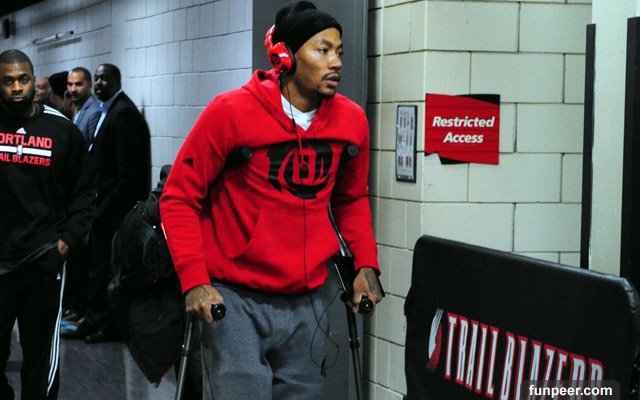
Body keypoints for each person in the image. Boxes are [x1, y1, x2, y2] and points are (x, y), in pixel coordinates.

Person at [160, 2, 383, 399]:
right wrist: (194, 280)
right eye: (322, 50)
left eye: (339, 51)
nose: (335, 62)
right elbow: (179, 197)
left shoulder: (351, 122)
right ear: (285, 56)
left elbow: (351, 199)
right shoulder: (231, 112)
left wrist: (365, 263)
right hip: (234, 299)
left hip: (307, 302)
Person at [0, 49, 95, 400]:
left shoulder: (61, 129)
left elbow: (84, 192)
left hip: (42, 260)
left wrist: (67, 241)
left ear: (33, 79)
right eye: (8, 81)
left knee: (40, 361)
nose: (16, 88)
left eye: (23, 79)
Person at [62, 63, 151, 343]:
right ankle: (93, 319)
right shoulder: (108, 110)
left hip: (113, 211)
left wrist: (107, 208)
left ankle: (106, 324)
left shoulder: (123, 114)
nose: (100, 83)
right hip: (102, 207)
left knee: (107, 270)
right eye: (98, 78)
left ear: (117, 81)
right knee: (97, 269)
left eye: (104, 79)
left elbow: (127, 174)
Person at [67, 67, 101, 146]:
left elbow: (93, 148)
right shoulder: (78, 107)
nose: (73, 89)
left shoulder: (95, 111)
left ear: (90, 85)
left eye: (78, 84)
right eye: (70, 84)